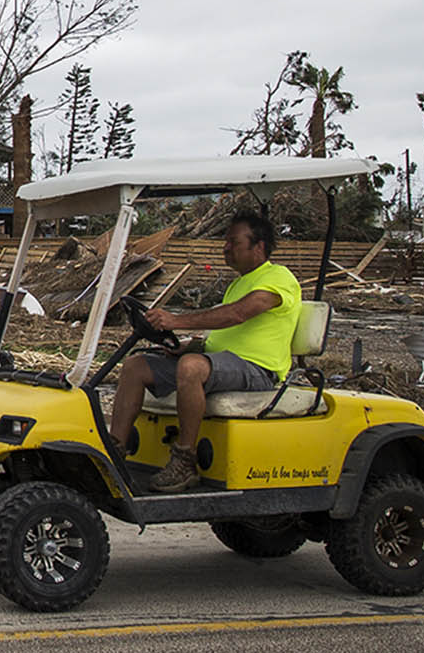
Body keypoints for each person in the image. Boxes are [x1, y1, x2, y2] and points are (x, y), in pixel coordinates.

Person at [108, 210, 300, 493]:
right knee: (137, 365)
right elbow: (223, 334)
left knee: (191, 367)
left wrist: (176, 321)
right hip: (223, 364)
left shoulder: (278, 278)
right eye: (226, 241)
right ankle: (114, 453)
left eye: (233, 242)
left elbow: (237, 315)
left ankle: (185, 460)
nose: (226, 248)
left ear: (258, 247)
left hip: (257, 369)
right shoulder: (238, 283)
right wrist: (187, 345)